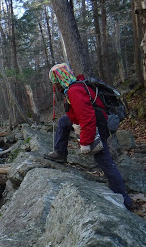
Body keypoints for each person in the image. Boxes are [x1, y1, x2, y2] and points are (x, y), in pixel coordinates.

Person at [44, 63, 134, 211]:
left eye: (54, 81)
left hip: (98, 126)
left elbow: (87, 117)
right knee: (63, 122)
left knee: (104, 160)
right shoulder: (74, 87)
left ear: (59, 79)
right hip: (95, 122)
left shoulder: (74, 91)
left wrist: (85, 142)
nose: (54, 85)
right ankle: (60, 153)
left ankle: (124, 199)